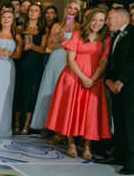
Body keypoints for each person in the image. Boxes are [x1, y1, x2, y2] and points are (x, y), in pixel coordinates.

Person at [46, 9, 111, 159]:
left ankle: (88, 145)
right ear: (89, 20)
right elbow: (70, 60)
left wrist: (92, 79)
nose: (97, 23)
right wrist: (83, 78)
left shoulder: (106, 39)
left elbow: (104, 62)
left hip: (94, 79)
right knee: (72, 110)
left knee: (90, 112)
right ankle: (71, 143)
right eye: (95, 19)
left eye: (101, 20)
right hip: (74, 76)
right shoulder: (77, 34)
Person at [31, 1, 80, 135]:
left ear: (78, 12)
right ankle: (46, 125)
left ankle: (61, 128)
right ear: (66, 10)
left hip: (68, 61)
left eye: (75, 9)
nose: (72, 10)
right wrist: (59, 40)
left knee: (64, 93)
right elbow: (49, 46)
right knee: (49, 89)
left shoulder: (79, 27)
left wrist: (66, 44)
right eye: (70, 7)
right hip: (54, 60)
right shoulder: (57, 26)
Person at [101, 7, 134, 174]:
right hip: (115, 88)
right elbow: (112, 62)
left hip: (129, 88)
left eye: (110, 18)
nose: (107, 22)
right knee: (119, 123)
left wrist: (121, 81)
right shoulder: (115, 37)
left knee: (130, 124)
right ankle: (119, 155)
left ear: (122, 18)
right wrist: (108, 80)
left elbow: (132, 61)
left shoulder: (133, 34)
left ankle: (132, 162)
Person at [13, 3, 47, 134]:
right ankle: (16, 123)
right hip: (21, 63)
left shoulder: (43, 30)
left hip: (35, 64)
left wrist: (32, 46)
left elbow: (43, 49)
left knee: (31, 94)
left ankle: (27, 124)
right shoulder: (20, 28)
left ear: (39, 14)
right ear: (27, 13)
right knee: (19, 92)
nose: (33, 12)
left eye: (36, 10)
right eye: (31, 10)